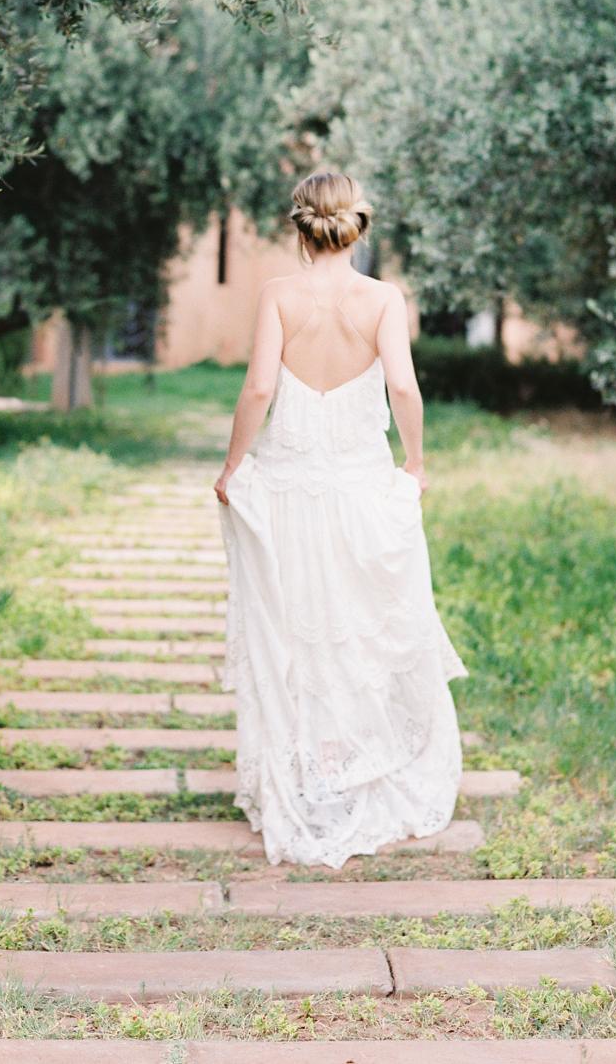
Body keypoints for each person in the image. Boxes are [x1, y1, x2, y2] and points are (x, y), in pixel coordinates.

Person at [213, 170, 466, 868]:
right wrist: (414, 464)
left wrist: (235, 465)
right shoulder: (384, 300)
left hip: (292, 490)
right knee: (361, 629)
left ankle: (305, 771)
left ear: (299, 226)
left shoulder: (277, 297)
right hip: (358, 490)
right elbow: (404, 386)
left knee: (298, 628)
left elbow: (261, 386)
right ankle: (351, 763)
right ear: (358, 225)